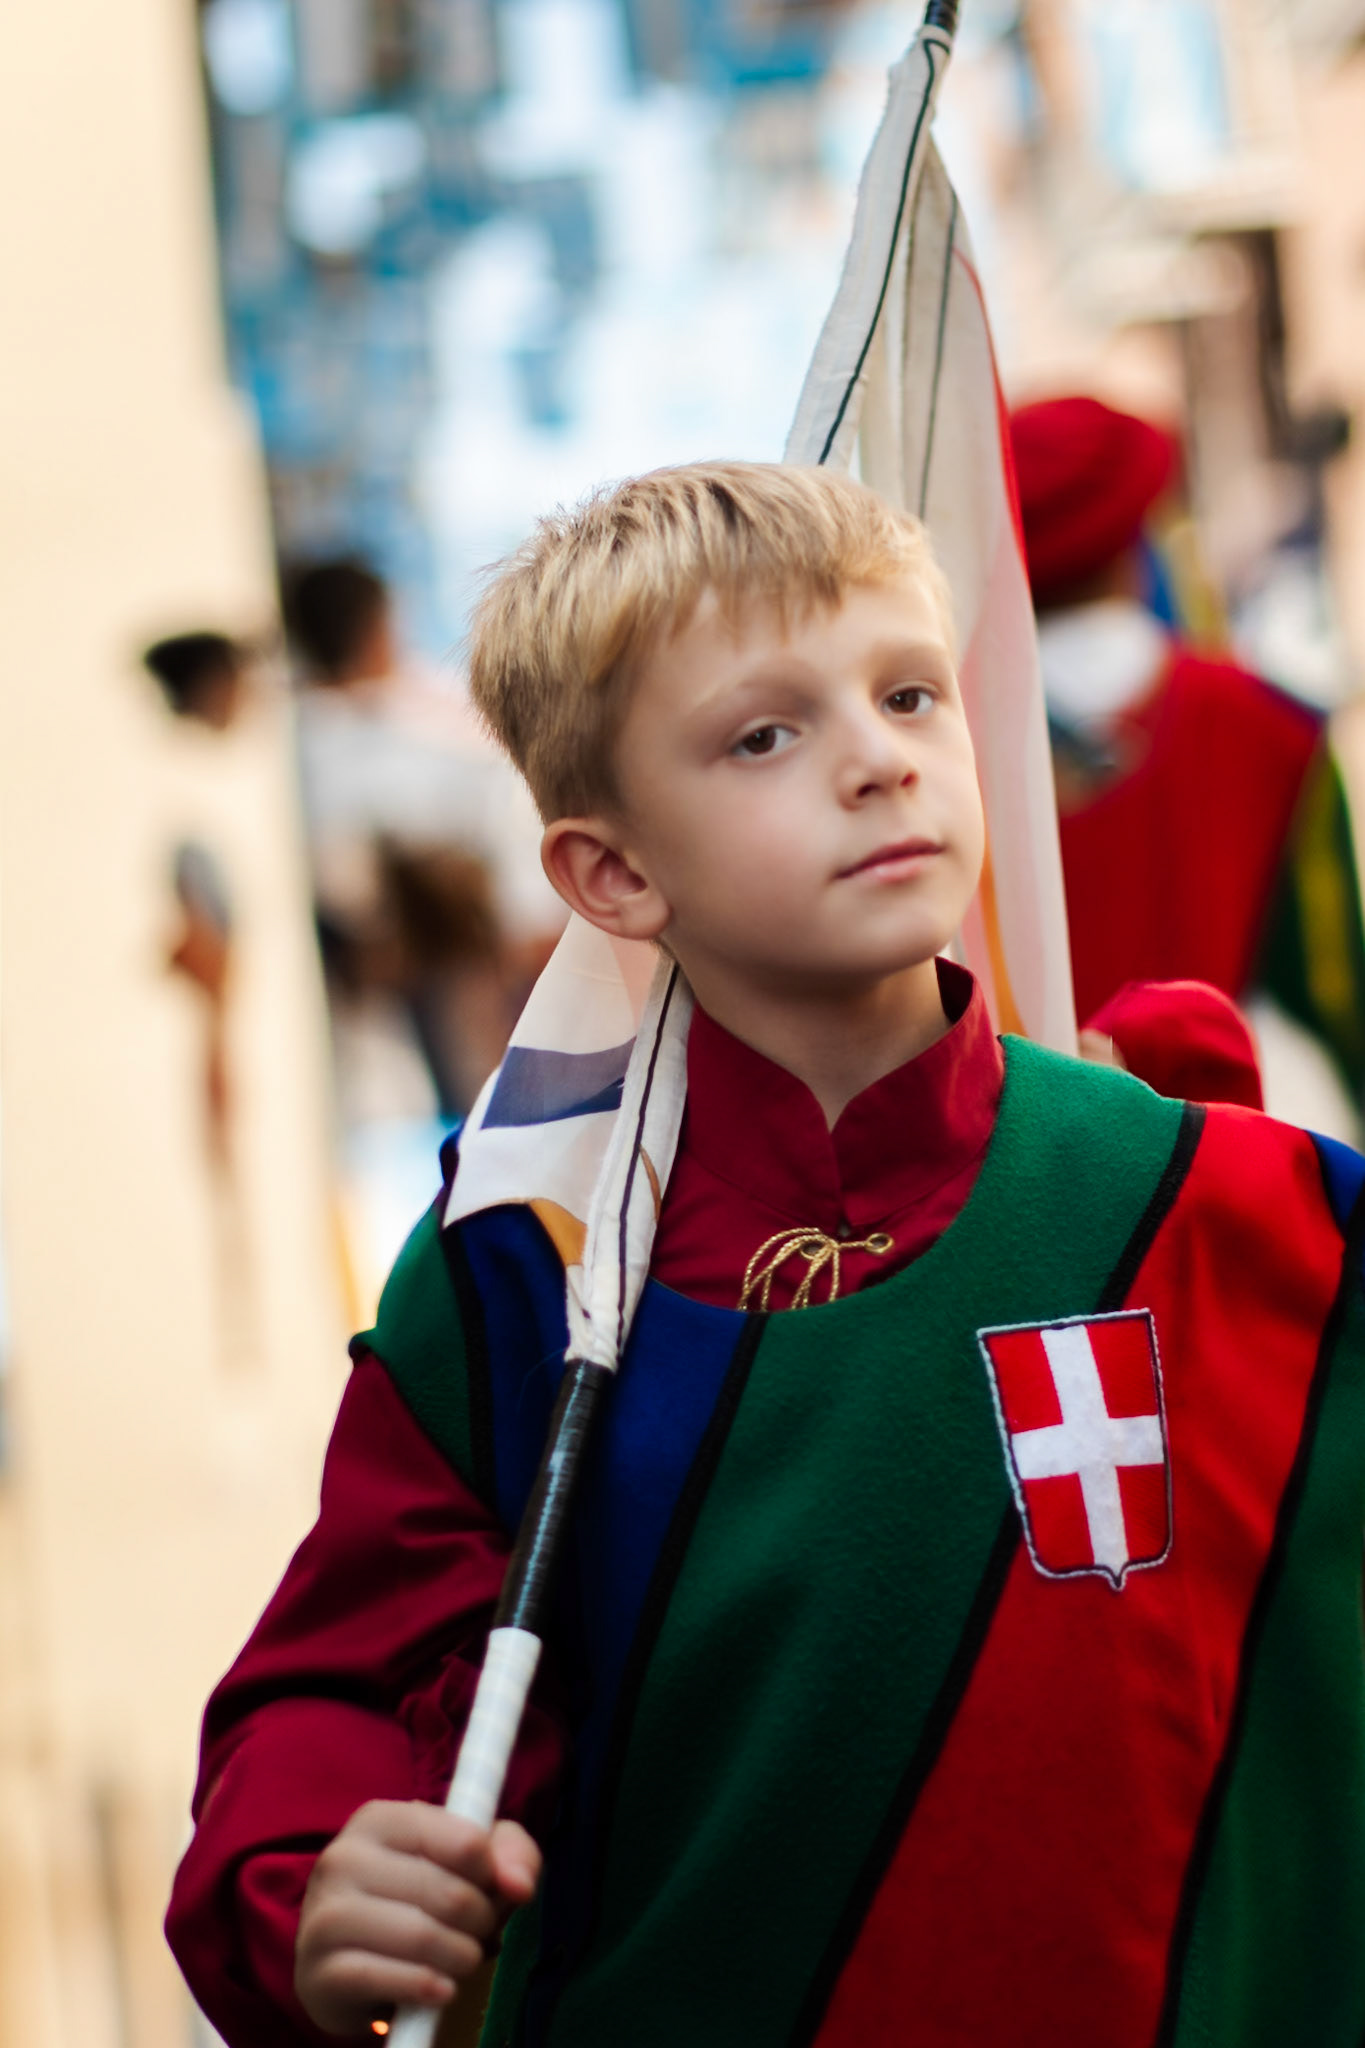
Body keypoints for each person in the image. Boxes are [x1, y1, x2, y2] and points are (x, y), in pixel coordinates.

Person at [168, 464, 1365, 2046]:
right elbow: (340, 1696)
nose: (876, 760)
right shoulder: (524, 1270)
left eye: (909, 694)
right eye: (765, 733)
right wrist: (317, 1877)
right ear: (613, 874)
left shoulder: (1227, 1201)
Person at [1011, 393, 1365, 1113]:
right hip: (1249, 1129)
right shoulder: (1272, 724)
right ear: (1135, 545)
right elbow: (1329, 984)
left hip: (1039, 1151)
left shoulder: (947, 754)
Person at [283, 558, 563, 1121]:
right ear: (369, 632)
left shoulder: (388, 719)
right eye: (391, 624)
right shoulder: (342, 744)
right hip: (453, 949)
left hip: (479, 941)